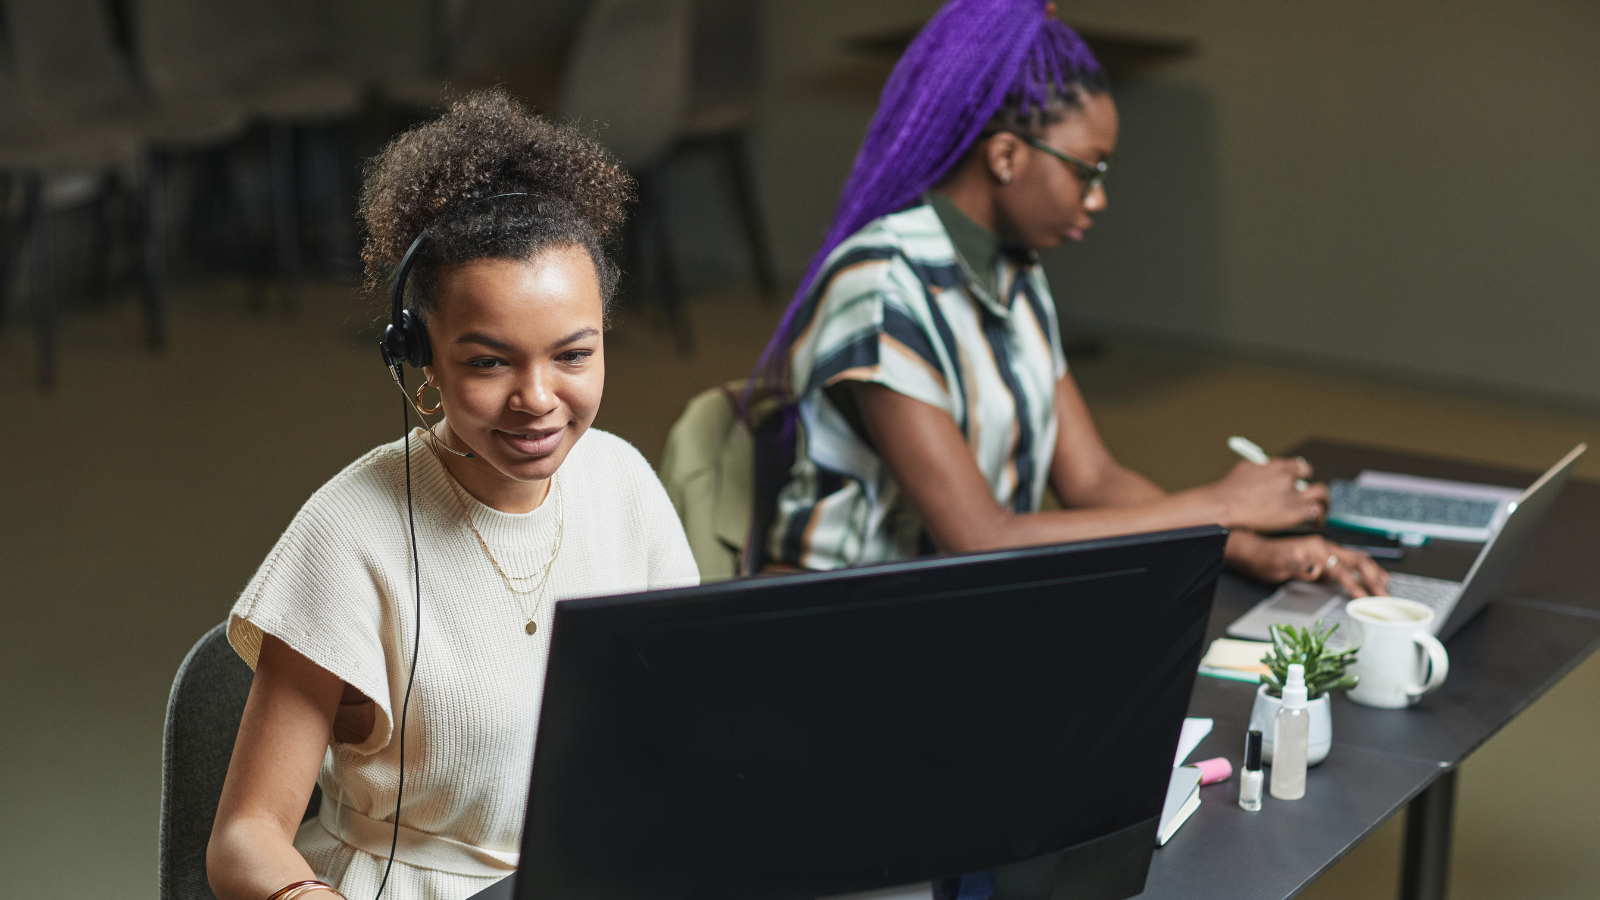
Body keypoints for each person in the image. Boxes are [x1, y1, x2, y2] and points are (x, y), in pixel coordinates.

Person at [206, 90, 699, 900]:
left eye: (573, 355)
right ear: (421, 361)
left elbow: (686, 729)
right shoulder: (349, 533)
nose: (537, 398)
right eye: (487, 362)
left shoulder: (623, 484)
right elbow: (244, 840)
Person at [752, 0, 1387, 598]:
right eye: (1086, 170)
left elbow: (1093, 479)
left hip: (959, 609)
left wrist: (1247, 547)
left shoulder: (1012, 269)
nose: (1098, 199)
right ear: (1005, 155)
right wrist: (1221, 505)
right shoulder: (883, 286)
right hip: (846, 627)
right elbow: (980, 537)